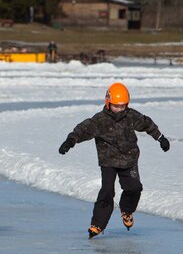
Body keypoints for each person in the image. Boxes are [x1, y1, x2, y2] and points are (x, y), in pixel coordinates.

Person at [58, 83, 171, 238]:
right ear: (108, 102)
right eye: (116, 106)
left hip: (129, 159)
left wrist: (160, 138)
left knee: (135, 187)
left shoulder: (131, 116)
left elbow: (146, 124)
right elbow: (82, 130)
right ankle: (97, 224)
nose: (119, 109)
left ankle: (127, 210)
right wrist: (70, 142)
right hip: (108, 161)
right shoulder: (99, 120)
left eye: (123, 106)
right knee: (107, 191)